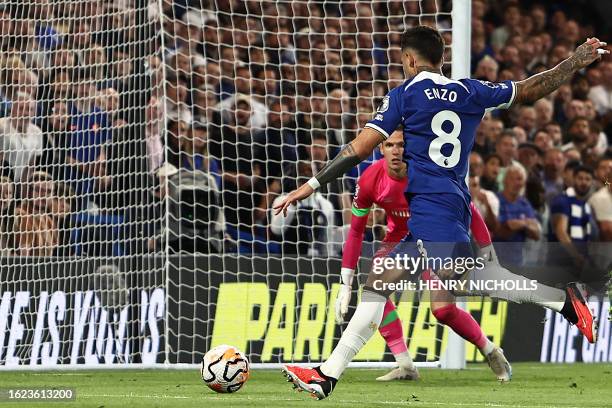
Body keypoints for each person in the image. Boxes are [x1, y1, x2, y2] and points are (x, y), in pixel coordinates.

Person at [275, 27, 604, 399]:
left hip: (433, 206)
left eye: (403, 61)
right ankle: (326, 375)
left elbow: (357, 149)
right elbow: (531, 88)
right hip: (451, 204)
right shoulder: (470, 90)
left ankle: (566, 301)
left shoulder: (404, 96)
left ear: (409, 60)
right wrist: (574, 62)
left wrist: (309, 186)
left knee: (481, 278)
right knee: (381, 283)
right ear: (442, 60)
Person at [548, 165, 594, 269]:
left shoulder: (585, 205)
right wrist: (576, 256)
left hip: (578, 266)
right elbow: (561, 231)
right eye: (580, 178)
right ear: (573, 179)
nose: (584, 182)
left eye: (588, 179)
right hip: (559, 265)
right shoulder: (562, 200)